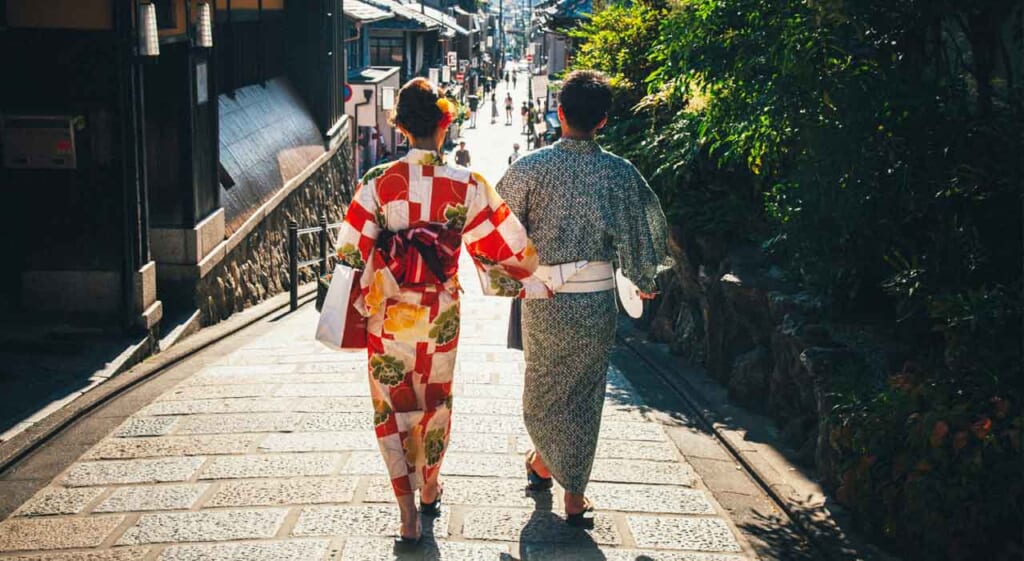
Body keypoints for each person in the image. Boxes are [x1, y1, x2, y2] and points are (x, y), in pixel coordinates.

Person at [334, 77, 549, 546]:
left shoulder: (377, 183)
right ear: (444, 123)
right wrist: (536, 278)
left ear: (401, 127)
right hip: (439, 313)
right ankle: (429, 485)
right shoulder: (467, 184)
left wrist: (377, 275)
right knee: (434, 401)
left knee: (391, 403)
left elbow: (349, 252)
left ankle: (407, 513)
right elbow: (504, 245)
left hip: (388, 312)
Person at [496, 70, 671, 527]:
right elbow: (644, 224)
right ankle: (570, 491)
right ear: (604, 121)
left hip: (544, 298)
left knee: (544, 385)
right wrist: (642, 274)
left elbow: (498, 228)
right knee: (585, 395)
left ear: (560, 113)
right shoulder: (619, 173)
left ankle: (546, 464)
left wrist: (511, 277)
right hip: (595, 302)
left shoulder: (529, 168)